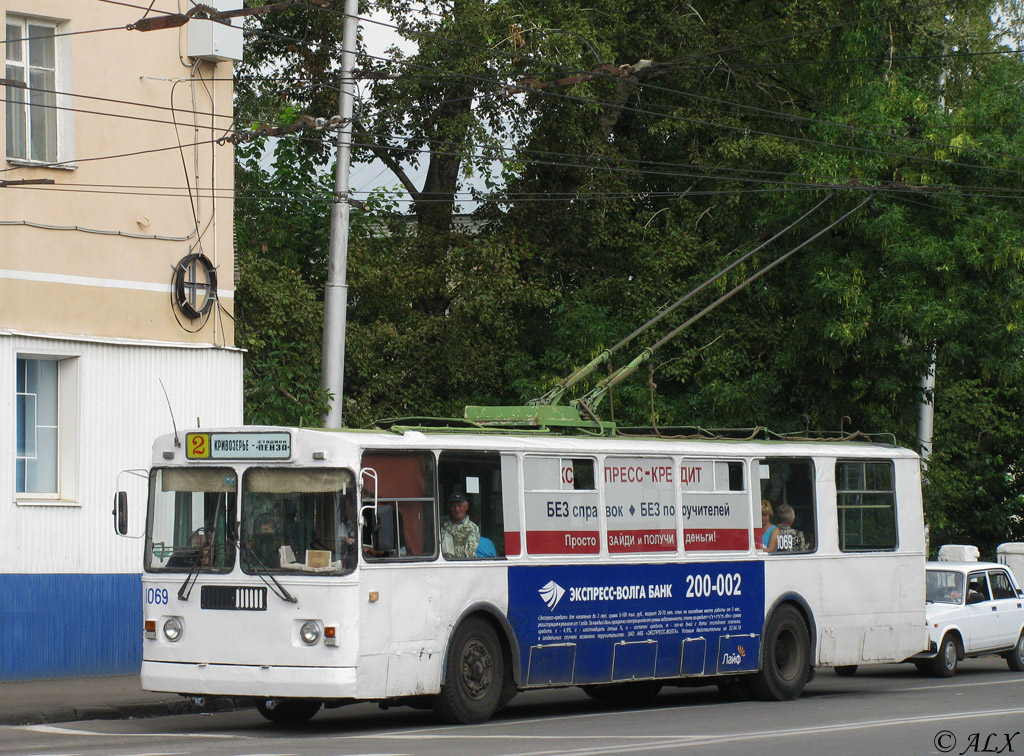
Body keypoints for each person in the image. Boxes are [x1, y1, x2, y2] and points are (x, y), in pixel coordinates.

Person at [441, 492, 480, 559]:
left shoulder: (473, 528)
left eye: (459, 506)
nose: (457, 509)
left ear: (466, 507)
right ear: (450, 507)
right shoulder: (441, 522)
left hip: (462, 566)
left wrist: (446, 548)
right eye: (454, 506)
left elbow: (469, 554)